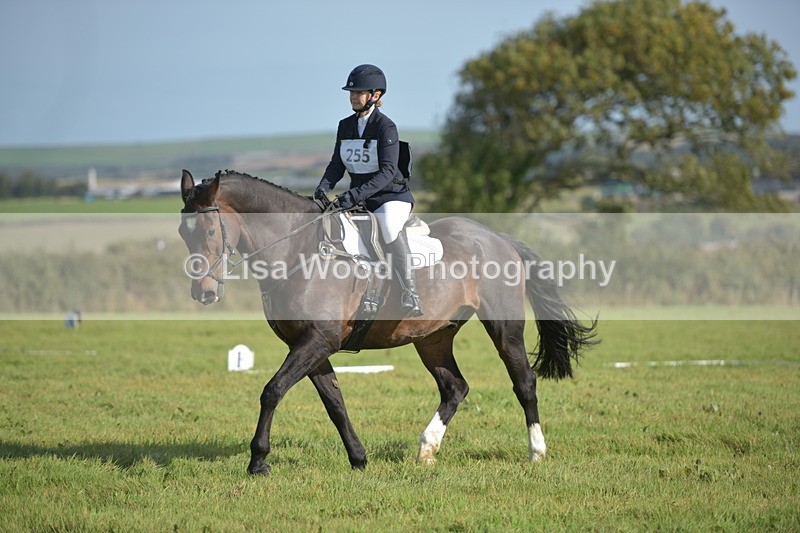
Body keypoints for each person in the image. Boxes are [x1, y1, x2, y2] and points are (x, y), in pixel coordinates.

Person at [315, 64, 422, 318]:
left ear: (374, 95)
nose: (353, 96)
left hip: (390, 197)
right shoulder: (345, 126)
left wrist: (354, 195)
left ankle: (410, 292)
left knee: (386, 226)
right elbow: (337, 164)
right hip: (361, 198)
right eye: (351, 92)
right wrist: (323, 187)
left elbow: (387, 172)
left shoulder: (386, 127)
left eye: (359, 92)